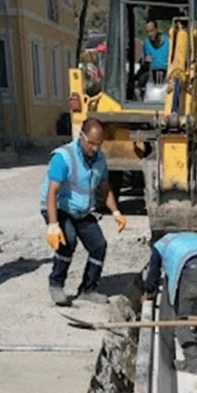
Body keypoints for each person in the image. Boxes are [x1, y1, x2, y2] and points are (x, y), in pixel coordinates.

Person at [39, 118, 127, 307]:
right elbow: (51, 193)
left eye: (99, 144)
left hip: (81, 210)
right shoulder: (63, 157)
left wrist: (116, 212)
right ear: (82, 137)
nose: (95, 148)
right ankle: (56, 284)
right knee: (67, 240)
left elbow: (105, 188)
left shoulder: (100, 159)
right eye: (91, 143)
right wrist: (53, 225)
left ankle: (88, 289)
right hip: (58, 207)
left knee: (99, 245)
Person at [142, 231, 197, 375]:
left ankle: (193, 362)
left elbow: (154, 274)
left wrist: (148, 292)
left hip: (192, 272)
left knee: (181, 318)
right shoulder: (194, 237)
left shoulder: (159, 246)